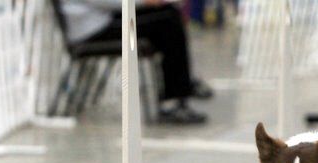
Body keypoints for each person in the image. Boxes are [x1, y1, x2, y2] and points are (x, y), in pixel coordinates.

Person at [62, 0, 213, 124]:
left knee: (167, 13)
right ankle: (176, 95)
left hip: (97, 19)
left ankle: (181, 84)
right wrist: (145, 2)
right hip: (93, 29)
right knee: (168, 19)